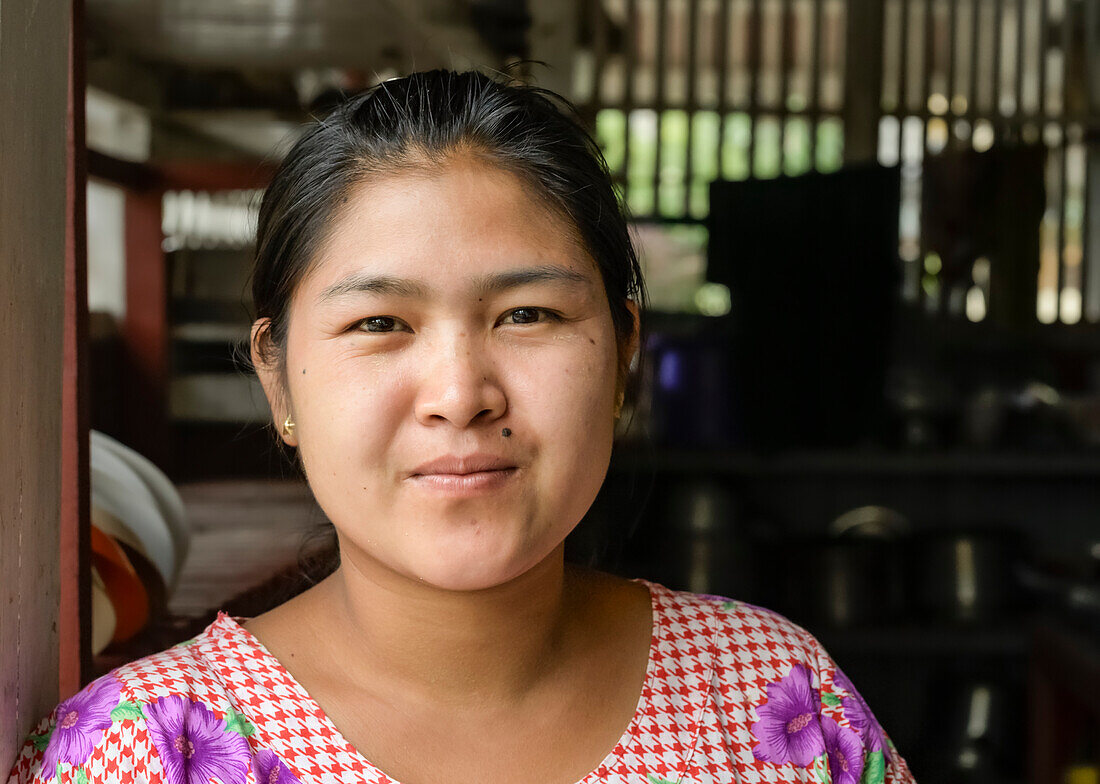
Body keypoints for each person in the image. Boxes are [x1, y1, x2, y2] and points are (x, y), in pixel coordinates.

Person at [8, 70, 914, 784]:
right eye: (380, 324)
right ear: (280, 381)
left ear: (623, 356)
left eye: (526, 315)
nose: (460, 394)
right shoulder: (143, 753)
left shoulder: (777, 701)